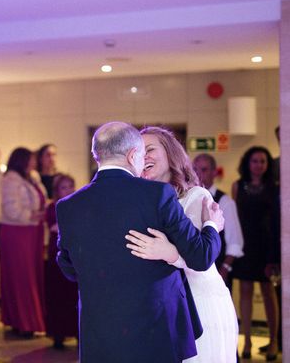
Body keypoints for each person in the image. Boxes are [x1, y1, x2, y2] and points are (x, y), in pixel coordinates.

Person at [56, 122, 223, 363]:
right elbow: (201, 256)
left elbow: (69, 268)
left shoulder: (68, 206)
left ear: (97, 155)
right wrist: (212, 226)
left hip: (99, 334)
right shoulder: (157, 194)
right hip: (154, 330)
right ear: (133, 155)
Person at [126, 128, 239, 362]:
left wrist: (169, 253)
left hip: (199, 304)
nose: (144, 157)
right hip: (162, 308)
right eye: (138, 153)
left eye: (150, 150)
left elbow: (201, 260)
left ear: (170, 154)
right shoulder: (142, 203)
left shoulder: (196, 196)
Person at [231, 146, 280, 360]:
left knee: (268, 293)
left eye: (262, 161)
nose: (259, 165)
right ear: (247, 163)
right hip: (245, 244)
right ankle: (247, 340)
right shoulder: (237, 186)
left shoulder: (274, 187)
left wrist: (275, 254)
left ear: (267, 165)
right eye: (255, 161)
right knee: (245, 292)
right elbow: (234, 218)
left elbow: (277, 221)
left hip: (267, 245)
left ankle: (273, 341)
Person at [0, 147, 46, 337]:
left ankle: (24, 320)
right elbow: (12, 210)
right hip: (17, 232)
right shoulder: (11, 179)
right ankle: (24, 321)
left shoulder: (31, 178)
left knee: (30, 276)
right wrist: (34, 215)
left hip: (31, 231)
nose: (35, 163)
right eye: (31, 159)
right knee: (21, 278)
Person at [192, 153, 244, 290]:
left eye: (204, 170)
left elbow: (235, 241)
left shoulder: (225, 201)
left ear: (214, 172)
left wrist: (224, 269)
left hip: (217, 269)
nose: (199, 174)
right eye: (195, 170)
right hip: (193, 271)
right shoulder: (190, 197)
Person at [44, 173, 78, 349]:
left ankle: (78, 333)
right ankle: (58, 335)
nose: (68, 190)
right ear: (57, 190)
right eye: (64, 187)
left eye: (70, 186)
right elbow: (54, 227)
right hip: (57, 255)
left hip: (74, 256)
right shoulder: (52, 207)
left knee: (74, 295)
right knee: (58, 296)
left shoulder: (78, 204)